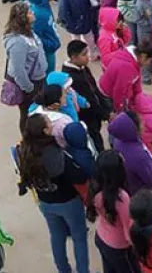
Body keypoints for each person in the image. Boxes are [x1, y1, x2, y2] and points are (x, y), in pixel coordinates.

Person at [18, 114, 91, 273]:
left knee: (56, 236)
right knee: (79, 237)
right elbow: (79, 176)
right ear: (44, 131)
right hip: (68, 201)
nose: (52, 124)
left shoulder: (25, 151)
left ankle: (63, 269)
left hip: (45, 201)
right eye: (49, 123)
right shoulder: (55, 153)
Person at [86, 151, 139, 273]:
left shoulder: (95, 188)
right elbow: (128, 230)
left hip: (101, 237)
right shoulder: (121, 197)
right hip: (119, 247)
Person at [4, 2, 47, 133]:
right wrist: (29, 88)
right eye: (29, 12)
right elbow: (18, 70)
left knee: (35, 111)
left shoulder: (28, 32)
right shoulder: (17, 42)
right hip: (30, 84)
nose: (33, 13)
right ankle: (28, 140)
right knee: (27, 114)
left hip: (37, 80)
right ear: (22, 18)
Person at [108, 110, 152, 194]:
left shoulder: (118, 141)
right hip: (138, 191)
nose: (144, 124)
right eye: (141, 122)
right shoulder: (138, 154)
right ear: (134, 129)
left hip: (127, 185)